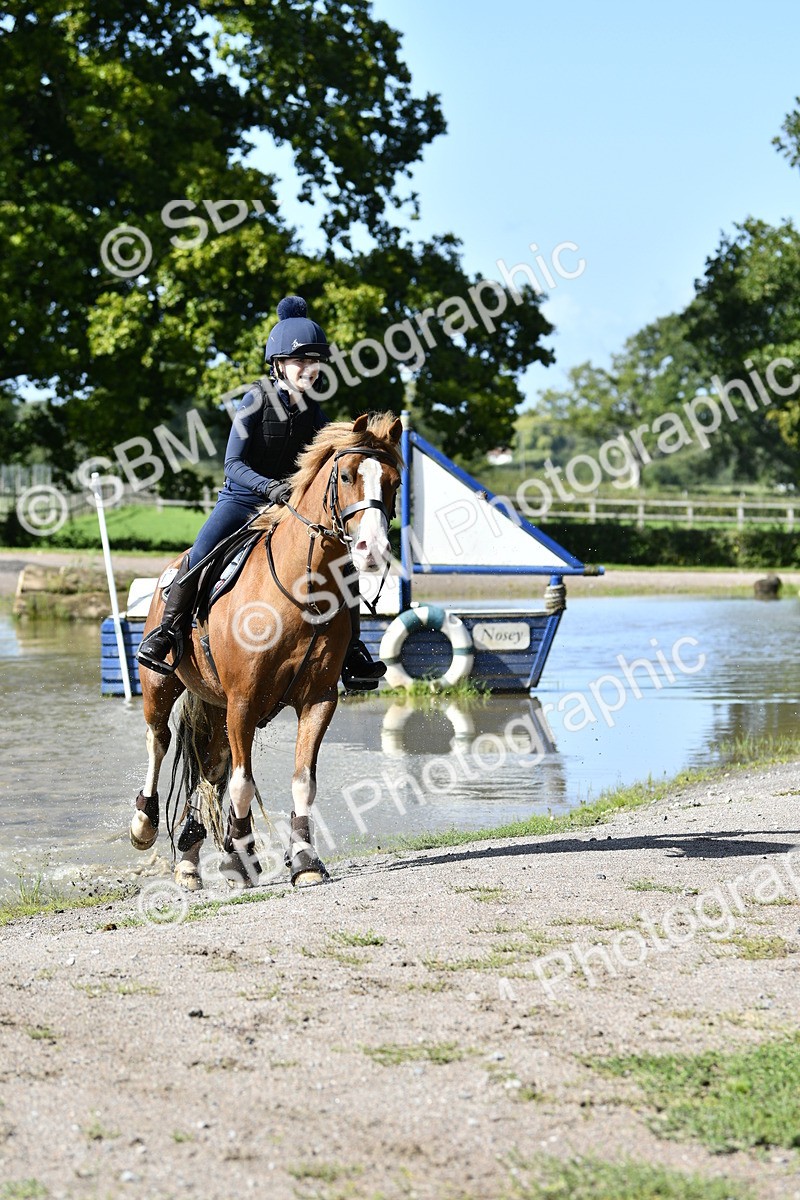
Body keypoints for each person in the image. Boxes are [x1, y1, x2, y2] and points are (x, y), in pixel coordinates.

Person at [136, 295, 387, 690]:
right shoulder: (255, 399)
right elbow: (232, 464)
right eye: (300, 361)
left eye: (315, 361)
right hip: (241, 500)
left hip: (288, 509)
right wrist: (270, 487)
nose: (309, 368)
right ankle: (166, 633)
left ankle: (352, 649)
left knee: (340, 565)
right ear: (278, 365)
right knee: (199, 554)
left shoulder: (315, 411)